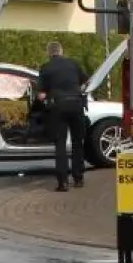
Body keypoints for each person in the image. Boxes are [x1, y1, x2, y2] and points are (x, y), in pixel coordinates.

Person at [36, 41, 88, 192]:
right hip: (76, 104)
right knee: (78, 142)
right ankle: (79, 178)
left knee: (60, 144)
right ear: (61, 51)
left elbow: (40, 95)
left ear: (49, 53)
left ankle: (63, 182)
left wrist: (46, 95)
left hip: (58, 107)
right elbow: (86, 81)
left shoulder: (45, 68)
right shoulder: (73, 63)